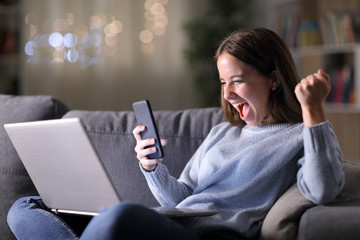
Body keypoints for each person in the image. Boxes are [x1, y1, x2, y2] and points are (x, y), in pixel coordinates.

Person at [7, 28, 345, 240]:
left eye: (238, 81)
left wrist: (313, 111)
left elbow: (323, 187)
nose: (227, 94)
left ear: (273, 79)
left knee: (120, 215)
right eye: (223, 82)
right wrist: (153, 168)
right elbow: (178, 200)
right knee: (23, 207)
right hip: (170, 224)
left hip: (212, 234)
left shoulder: (301, 135)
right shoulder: (221, 133)